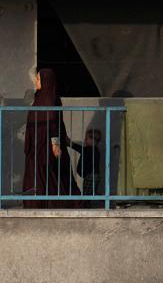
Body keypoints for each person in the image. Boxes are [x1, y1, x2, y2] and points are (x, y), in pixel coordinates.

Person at [22, 68, 80, 207]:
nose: (36, 81)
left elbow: (54, 123)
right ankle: (37, 202)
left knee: (51, 173)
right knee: (38, 174)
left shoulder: (51, 98)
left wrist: (55, 144)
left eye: (38, 79)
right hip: (37, 144)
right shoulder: (40, 97)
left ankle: (50, 203)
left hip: (47, 145)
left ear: (46, 81)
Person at [69, 127, 106, 198]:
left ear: (93, 140)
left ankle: (87, 205)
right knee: (91, 192)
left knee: (87, 194)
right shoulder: (94, 150)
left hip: (90, 176)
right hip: (93, 175)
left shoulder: (91, 150)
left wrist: (71, 144)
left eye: (87, 138)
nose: (85, 140)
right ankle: (101, 200)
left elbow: (81, 149)